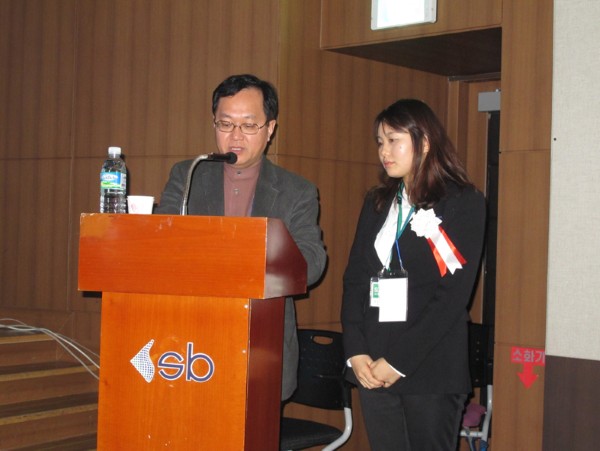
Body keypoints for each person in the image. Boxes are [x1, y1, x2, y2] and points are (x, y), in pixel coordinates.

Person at [155, 74, 327, 401]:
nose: (235, 136)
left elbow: (312, 263)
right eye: (225, 124)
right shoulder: (188, 175)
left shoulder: (296, 191)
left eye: (248, 125)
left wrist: (244, 260)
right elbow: (162, 243)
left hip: (262, 346)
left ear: (270, 129)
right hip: (190, 345)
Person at [341, 99, 486, 450]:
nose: (384, 151)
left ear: (424, 142)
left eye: (394, 140)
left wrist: (398, 363)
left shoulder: (462, 202)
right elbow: (355, 279)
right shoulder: (377, 202)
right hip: (373, 364)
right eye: (380, 142)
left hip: (430, 366)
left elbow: (452, 297)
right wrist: (356, 351)